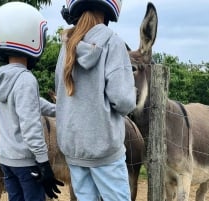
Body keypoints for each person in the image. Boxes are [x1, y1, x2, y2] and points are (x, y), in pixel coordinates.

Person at [55, 0, 136, 201]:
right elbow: (123, 101)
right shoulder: (113, 42)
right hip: (104, 147)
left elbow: (62, 91)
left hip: (74, 148)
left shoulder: (66, 44)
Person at [0, 2, 64, 201]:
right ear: (31, 36)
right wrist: (44, 164)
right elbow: (30, 125)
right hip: (26, 163)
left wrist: (59, 110)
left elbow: (34, 104)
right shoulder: (25, 79)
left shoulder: (3, 79)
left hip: (6, 159)